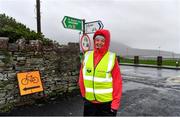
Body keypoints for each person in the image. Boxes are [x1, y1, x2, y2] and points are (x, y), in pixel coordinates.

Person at [79, 29, 122, 116]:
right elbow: (81, 77)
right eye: (97, 40)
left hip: (106, 104)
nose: (99, 42)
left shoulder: (112, 58)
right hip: (89, 103)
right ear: (94, 41)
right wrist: (84, 94)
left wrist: (115, 104)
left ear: (107, 42)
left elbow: (117, 82)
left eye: (103, 40)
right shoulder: (87, 56)